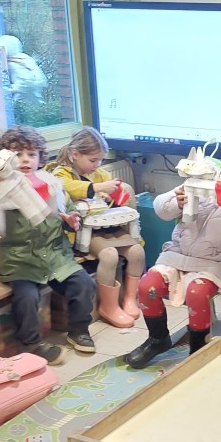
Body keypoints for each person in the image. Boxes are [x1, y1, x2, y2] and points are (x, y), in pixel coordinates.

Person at [124, 148, 221, 368]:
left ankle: (198, 347)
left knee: (197, 292)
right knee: (147, 286)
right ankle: (157, 339)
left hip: (215, 265)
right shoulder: (199, 184)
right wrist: (176, 201)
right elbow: (161, 210)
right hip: (176, 256)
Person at [0, 125, 96, 363]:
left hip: (56, 256)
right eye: (17, 154)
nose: (25, 160)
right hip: (21, 261)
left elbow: (70, 215)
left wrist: (71, 221)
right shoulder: (0, 192)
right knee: (27, 298)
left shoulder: (52, 185)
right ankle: (31, 343)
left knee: (84, 284)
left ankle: (79, 331)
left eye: (31, 154)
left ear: (40, 158)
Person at [50, 128, 144, 329]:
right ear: (75, 154)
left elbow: (114, 194)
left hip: (106, 227)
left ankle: (129, 299)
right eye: (93, 160)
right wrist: (97, 188)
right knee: (109, 255)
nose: (97, 165)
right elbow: (66, 188)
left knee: (137, 251)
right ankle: (108, 307)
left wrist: (112, 196)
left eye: (100, 160)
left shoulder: (98, 173)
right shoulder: (61, 173)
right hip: (82, 233)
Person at [0, 34, 47, 103]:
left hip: (26, 101)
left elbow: (28, 82)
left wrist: (10, 90)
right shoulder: (24, 59)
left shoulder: (14, 63)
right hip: (32, 100)